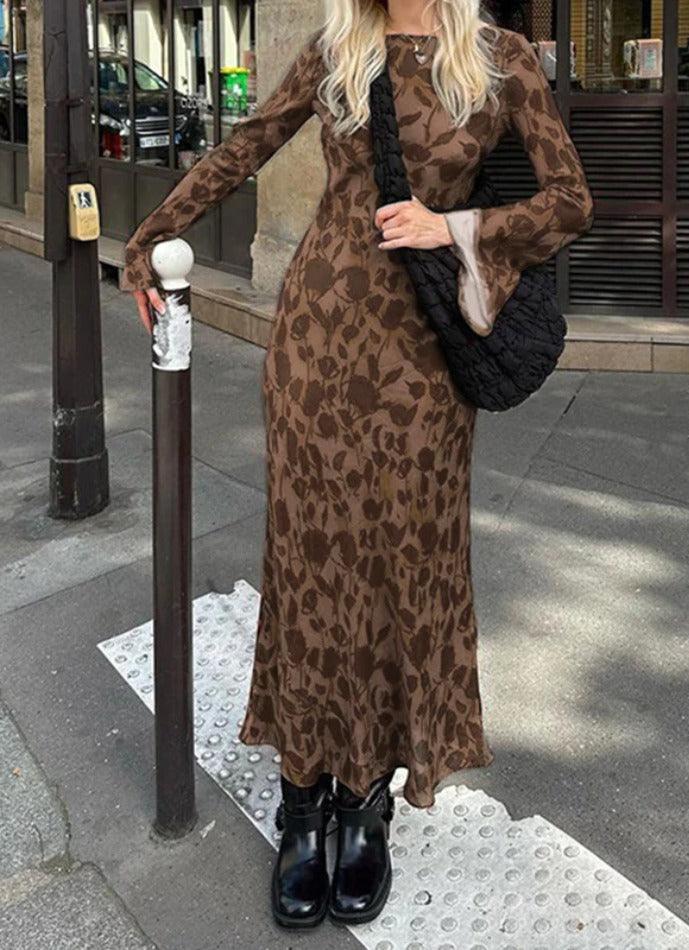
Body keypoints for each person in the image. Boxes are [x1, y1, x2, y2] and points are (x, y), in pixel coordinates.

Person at [121, 0, 593, 930]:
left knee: (401, 562)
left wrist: (454, 229)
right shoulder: (337, 47)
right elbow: (245, 146)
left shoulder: (498, 59)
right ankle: (303, 793)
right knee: (309, 560)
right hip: (317, 339)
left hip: (421, 358)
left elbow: (569, 201)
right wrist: (147, 242)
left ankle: (365, 794)